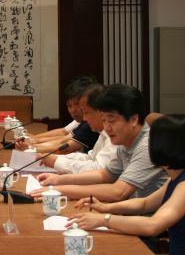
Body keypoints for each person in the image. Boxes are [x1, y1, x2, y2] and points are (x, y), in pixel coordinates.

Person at [72, 114, 185, 255]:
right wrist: (105, 208)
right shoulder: (178, 176)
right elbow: (144, 203)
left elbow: (153, 226)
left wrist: (104, 220)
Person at [31, 84, 167, 202]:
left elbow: (118, 192)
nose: (107, 127)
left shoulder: (147, 146)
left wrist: (60, 190)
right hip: (128, 211)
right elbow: (104, 175)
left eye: (111, 120)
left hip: (145, 219)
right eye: (104, 120)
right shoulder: (125, 141)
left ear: (133, 119)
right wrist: (58, 180)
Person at [40, 84, 119, 174]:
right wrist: (56, 158)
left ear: (100, 112)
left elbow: (99, 170)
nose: (84, 119)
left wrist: (56, 162)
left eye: (86, 112)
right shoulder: (103, 133)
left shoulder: (116, 135)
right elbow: (90, 157)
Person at [16, 76, 99, 154]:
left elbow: (66, 147)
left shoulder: (89, 124)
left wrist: (32, 147)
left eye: (77, 104)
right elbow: (64, 139)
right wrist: (35, 141)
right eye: (69, 106)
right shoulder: (84, 121)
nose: (73, 110)